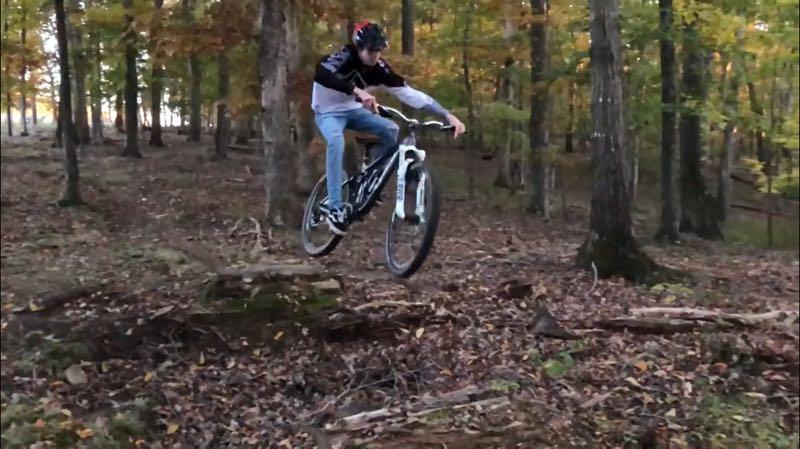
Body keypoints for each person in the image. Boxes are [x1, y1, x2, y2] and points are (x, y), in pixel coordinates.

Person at [312, 20, 466, 236]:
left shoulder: (380, 70)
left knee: (391, 129)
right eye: (370, 51)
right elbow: (321, 74)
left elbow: (411, 94)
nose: (374, 56)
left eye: (378, 51)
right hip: (327, 112)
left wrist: (447, 114)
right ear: (359, 47)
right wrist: (358, 91)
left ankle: (370, 179)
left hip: (353, 111)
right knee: (336, 141)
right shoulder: (344, 56)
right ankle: (334, 207)